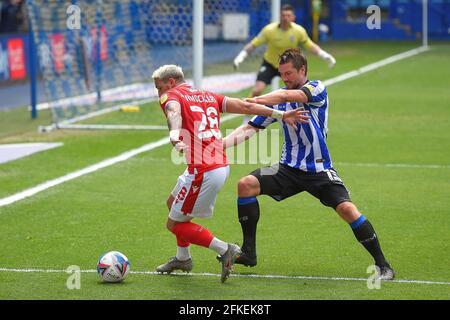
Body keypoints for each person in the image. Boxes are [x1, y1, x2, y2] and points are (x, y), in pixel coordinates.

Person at [220, 49, 395, 280]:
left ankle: (383, 266)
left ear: (302, 70)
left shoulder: (316, 89)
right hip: (287, 169)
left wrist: (255, 100)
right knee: (246, 185)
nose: (285, 78)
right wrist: (218, 145)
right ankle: (249, 253)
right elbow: (250, 128)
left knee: (347, 210)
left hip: (319, 170)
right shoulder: (280, 99)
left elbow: (286, 97)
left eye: (289, 73)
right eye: (282, 74)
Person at [152, 64, 309, 283]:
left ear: (170, 82)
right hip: (215, 165)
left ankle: (225, 249)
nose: (159, 93)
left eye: (159, 87)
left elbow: (174, 112)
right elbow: (245, 107)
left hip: (204, 171)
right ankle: (183, 258)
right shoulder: (206, 96)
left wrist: (175, 136)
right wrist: (281, 114)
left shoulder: (171, 96)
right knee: (172, 203)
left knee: (175, 224)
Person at [233, 4, 336, 123]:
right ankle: (248, 115)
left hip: (289, 68)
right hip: (270, 64)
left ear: (293, 17)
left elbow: (310, 46)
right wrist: (241, 56)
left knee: (295, 94)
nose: (285, 17)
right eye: (283, 15)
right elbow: (254, 44)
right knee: (257, 90)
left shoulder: (298, 31)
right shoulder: (269, 30)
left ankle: (291, 118)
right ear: (280, 16)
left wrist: (325, 55)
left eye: (288, 15)